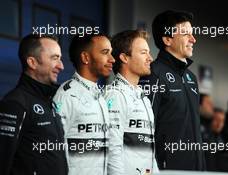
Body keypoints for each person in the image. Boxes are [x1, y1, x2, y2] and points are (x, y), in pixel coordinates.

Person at [140, 10, 206, 170]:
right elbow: (145, 130)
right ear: (167, 39)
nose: (193, 40)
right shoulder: (153, 74)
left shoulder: (191, 77)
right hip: (167, 169)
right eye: (186, 34)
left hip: (196, 168)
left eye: (192, 34)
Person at [0, 34, 67, 175]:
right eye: (55, 58)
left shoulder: (51, 101)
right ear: (32, 62)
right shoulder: (15, 103)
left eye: (60, 58)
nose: (61, 66)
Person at [53, 33, 115, 175]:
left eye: (111, 53)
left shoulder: (100, 96)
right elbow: (54, 152)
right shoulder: (66, 95)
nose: (112, 59)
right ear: (85, 57)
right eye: (105, 53)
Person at [104, 30, 159, 175]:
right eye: (143, 53)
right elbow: (112, 149)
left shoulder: (143, 98)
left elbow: (150, 152)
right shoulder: (115, 95)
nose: (150, 58)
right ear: (124, 57)